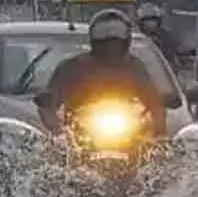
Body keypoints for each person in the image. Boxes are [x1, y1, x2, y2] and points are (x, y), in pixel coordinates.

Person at [37, 8, 166, 136]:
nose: (111, 42)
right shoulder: (72, 67)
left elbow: (153, 99)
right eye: (103, 35)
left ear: (127, 37)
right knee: (51, 153)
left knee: (158, 152)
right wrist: (56, 129)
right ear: (93, 37)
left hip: (130, 134)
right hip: (80, 137)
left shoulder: (136, 67)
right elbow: (49, 101)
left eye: (117, 35)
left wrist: (157, 128)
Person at [136, 3, 182, 67]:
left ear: (158, 21)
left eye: (153, 19)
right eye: (147, 20)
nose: (150, 23)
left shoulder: (166, 36)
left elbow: (173, 58)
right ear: (141, 22)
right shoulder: (135, 35)